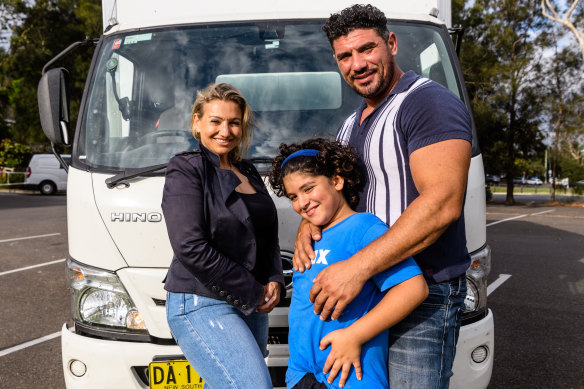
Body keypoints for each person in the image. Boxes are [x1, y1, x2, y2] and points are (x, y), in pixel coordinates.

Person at [293, 5, 473, 388]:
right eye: (345, 55)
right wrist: (307, 225)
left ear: (390, 44)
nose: (357, 63)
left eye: (366, 49)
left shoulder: (425, 102)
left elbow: (442, 203)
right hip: (368, 294)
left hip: (423, 292)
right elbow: (340, 201)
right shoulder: (348, 125)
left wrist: (356, 268)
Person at [268, 138, 428, 389]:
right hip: (302, 376)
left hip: (351, 377)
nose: (301, 203)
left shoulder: (364, 228)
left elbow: (414, 288)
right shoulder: (309, 237)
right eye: (293, 196)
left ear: (337, 181)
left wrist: (354, 336)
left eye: (308, 189)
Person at [162, 82, 285, 389]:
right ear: (197, 123)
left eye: (233, 123)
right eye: (215, 121)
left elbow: (266, 236)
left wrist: (275, 279)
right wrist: (253, 291)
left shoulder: (250, 172)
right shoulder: (187, 168)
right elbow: (190, 247)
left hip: (251, 302)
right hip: (201, 300)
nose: (225, 131)